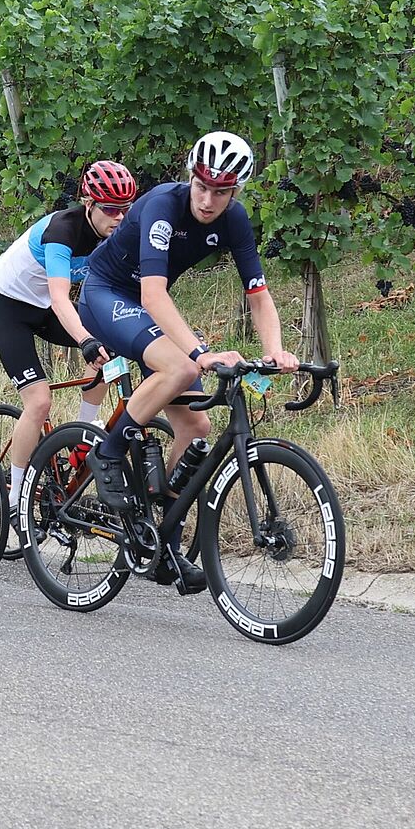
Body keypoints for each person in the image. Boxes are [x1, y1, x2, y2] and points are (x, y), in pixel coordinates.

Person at [77, 131, 300, 591]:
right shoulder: (163, 204)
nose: (208, 199)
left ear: (235, 192)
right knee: (180, 367)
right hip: (107, 293)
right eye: (202, 186)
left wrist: (275, 350)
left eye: (221, 192)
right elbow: (152, 293)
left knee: (196, 428)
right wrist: (199, 353)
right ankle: (109, 449)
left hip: (144, 305)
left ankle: (165, 543)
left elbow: (257, 294)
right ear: (191, 178)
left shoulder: (234, 220)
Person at [0, 160, 136, 517]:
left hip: (44, 306)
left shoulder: (119, 233)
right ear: (89, 203)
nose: (119, 217)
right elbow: (59, 296)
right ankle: (17, 497)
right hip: (10, 308)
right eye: (111, 209)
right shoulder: (63, 230)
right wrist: (85, 339)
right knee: (38, 402)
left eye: (126, 210)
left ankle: (84, 434)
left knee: (111, 351)